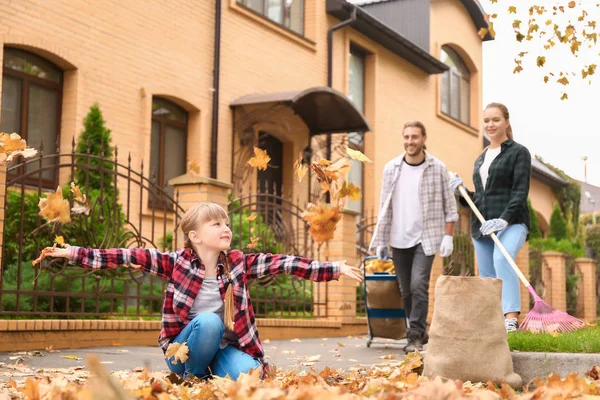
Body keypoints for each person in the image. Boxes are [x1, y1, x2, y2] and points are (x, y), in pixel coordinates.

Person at [37, 202, 363, 380]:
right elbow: (123, 256)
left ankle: (208, 376)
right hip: (183, 353)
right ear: (194, 236)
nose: (225, 228)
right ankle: (192, 377)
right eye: (215, 224)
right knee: (208, 322)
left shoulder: (238, 263)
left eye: (226, 223)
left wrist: (333, 269)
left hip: (221, 350)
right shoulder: (175, 262)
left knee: (250, 375)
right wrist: (72, 252)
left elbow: (285, 263)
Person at [370, 120, 458, 353]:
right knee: (405, 289)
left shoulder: (438, 168)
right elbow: (384, 206)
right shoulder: (391, 169)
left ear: (423, 139)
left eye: (415, 137)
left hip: (426, 237)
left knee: (419, 284)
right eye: (407, 137)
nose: (410, 141)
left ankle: (415, 335)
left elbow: (450, 207)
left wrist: (448, 236)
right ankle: (420, 329)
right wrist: (381, 241)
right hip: (398, 238)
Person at [449, 102, 531, 333]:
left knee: (502, 260)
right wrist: (462, 192)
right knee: (487, 277)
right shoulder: (481, 158)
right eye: (486, 120)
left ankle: (511, 320)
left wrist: (504, 220)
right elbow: (481, 199)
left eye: (495, 119)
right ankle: (494, 324)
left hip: (512, 222)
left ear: (506, 122)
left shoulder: (518, 152)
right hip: (482, 226)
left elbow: (519, 192)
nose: (490, 124)